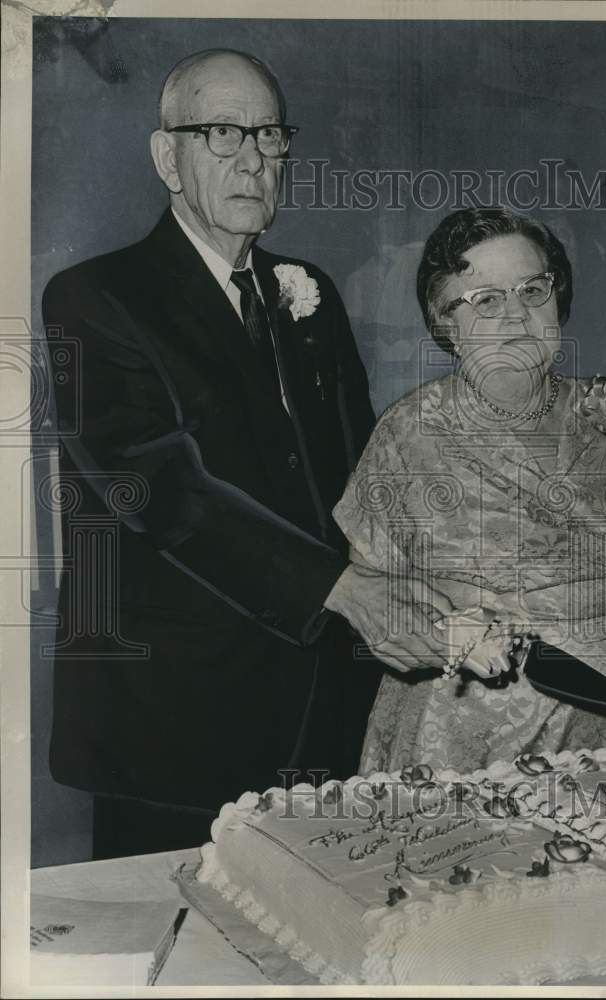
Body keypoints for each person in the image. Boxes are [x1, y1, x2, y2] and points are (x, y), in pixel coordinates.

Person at [42, 48, 450, 858]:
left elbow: (358, 472)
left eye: (269, 136)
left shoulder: (310, 291)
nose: (252, 159)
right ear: (168, 157)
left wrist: (441, 569)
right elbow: (158, 486)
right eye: (220, 133)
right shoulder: (93, 298)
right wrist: (345, 590)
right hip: (173, 726)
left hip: (323, 713)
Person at [332, 207, 606, 772]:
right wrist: (450, 636)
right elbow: (375, 604)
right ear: (444, 322)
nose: (515, 315)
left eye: (532, 288)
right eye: (484, 299)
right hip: (458, 750)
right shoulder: (408, 433)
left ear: (559, 296)